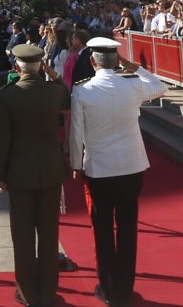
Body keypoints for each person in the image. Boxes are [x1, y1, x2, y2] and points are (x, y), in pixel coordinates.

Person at [69, 37, 168, 307]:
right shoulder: (132, 85)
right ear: (116, 60)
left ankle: (109, 288)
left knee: (102, 229)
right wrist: (133, 66)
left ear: (92, 61)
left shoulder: (82, 91)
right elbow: (160, 87)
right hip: (131, 166)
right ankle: (124, 288)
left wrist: (76, 164)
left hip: (100, 168)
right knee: (127, 228)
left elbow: (76, 131)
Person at [0, 44, 70, 307]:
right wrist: (54, 75)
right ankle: (48, 291)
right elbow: (67, 95)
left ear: (16, 67)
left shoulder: (8, 95)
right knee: (49, 234)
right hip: (50, 168)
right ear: (41, 67)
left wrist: (0, 170)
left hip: (19, 171)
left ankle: (26, 292)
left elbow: (3, 137)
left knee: (23, 235)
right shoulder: (53, 92)